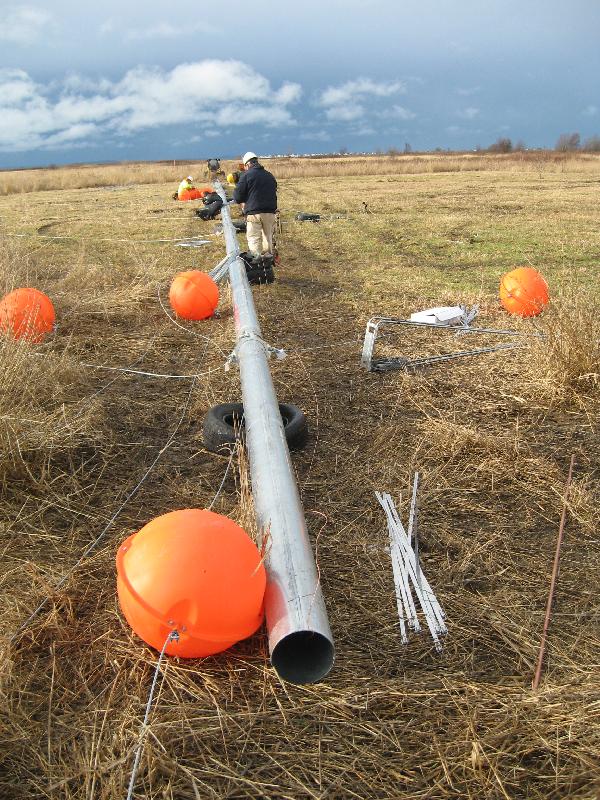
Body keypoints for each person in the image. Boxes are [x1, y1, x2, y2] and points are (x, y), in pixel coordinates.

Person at [233, 152, 278, 256]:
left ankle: (257, 260)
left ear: (247, 164)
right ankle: (268, 262)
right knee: (268, 238)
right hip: (270, 213)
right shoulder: (269, 175)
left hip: (254, 213)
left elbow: (237, 197)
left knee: (254, 239)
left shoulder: (246, 176)